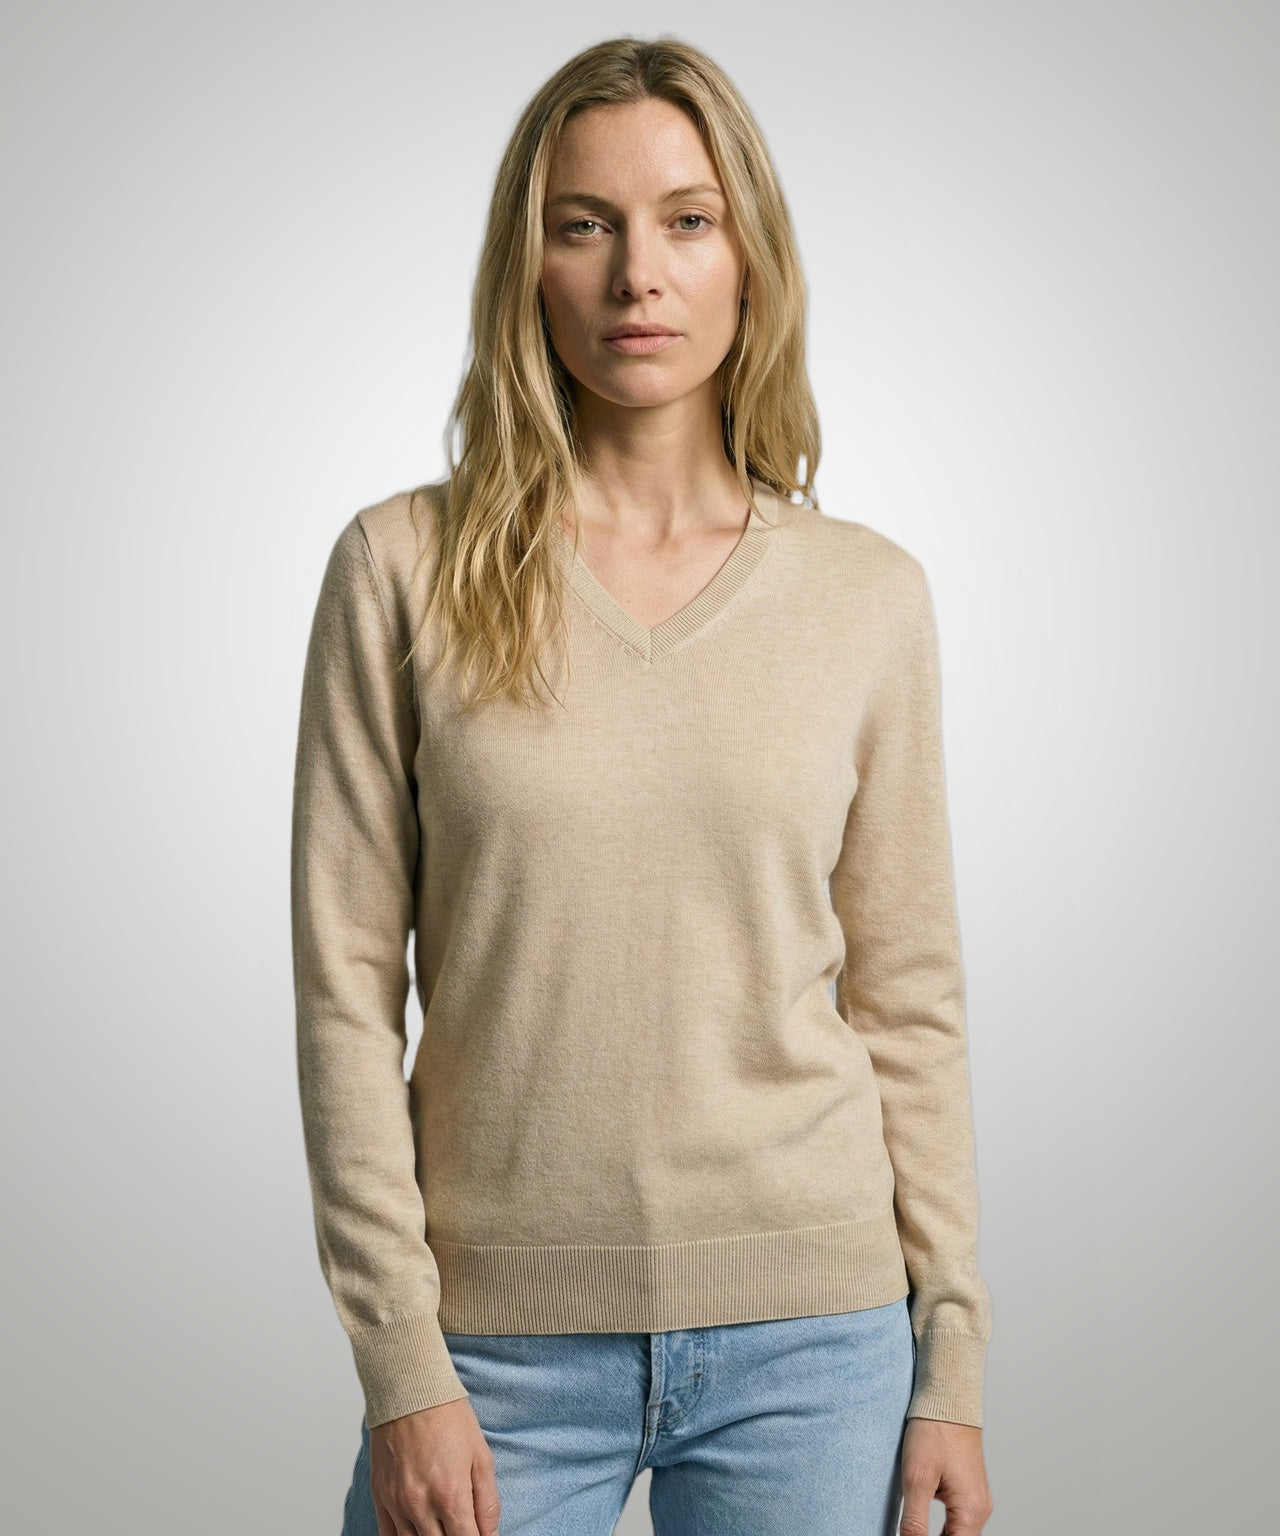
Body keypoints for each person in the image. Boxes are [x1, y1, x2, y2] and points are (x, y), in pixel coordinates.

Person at [292, 34, 994, 1536]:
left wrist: (952, 1364)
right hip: (490, 1353)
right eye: (584, 224)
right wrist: (401, 1363)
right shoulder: (399, 569)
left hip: (818, 1344)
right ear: (529, 267)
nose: (637, 277)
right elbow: (345, 993)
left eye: (686, 220)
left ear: (750, 258)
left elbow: (910, 1000)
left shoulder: (868, 598)